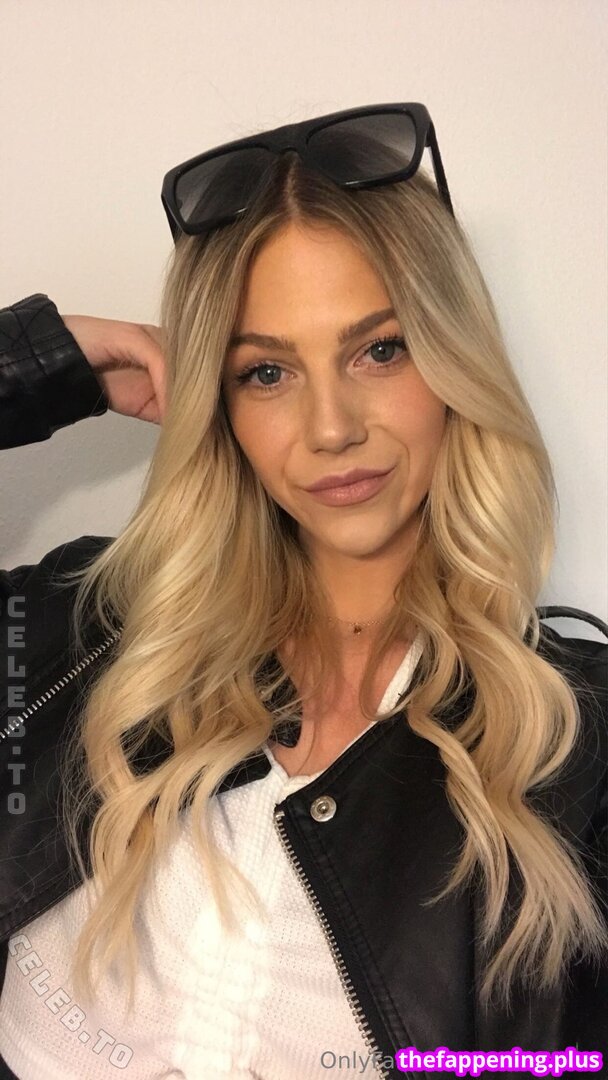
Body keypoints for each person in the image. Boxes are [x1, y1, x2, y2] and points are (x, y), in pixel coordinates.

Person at [0, 103, 606, 1080]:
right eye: (266, 370)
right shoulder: (79, 628)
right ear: (218, 402)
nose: (331, 427)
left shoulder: (576, 745)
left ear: (454, 359)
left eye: (380, 349)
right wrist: (39, 364)